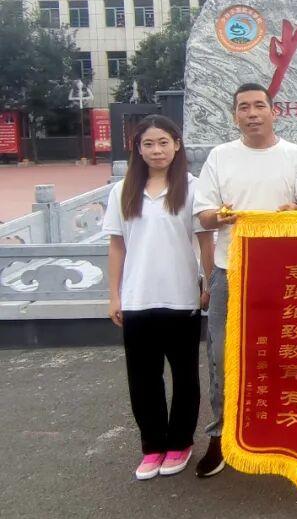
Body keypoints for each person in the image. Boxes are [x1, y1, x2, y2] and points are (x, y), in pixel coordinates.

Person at [192, 83, 297, 478]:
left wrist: (294, 212)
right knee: (221, 355)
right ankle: (221, 434)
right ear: (235, 115)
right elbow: (204, 215)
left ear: (273, 111)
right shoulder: (220, 156)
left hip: (284, 274)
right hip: (230, 271)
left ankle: (285, 427)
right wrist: (221, 216)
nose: (252, 114)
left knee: (287, 352)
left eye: (259, 106)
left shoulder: (295, 156)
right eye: (244, 107)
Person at [103, 115, 214, 480]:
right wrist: (114, 295)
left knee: (184, 377)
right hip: (137, 298)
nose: (157, 150)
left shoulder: (194, 188)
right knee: (143, 378)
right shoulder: (122, 191)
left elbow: (205, 242)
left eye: (164, 142)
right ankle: (152, 446)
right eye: (148, 144)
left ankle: (180, 442)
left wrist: (208, 284)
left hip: (181, 297)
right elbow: (117, 246)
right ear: (137, 149)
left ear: (177, 145)